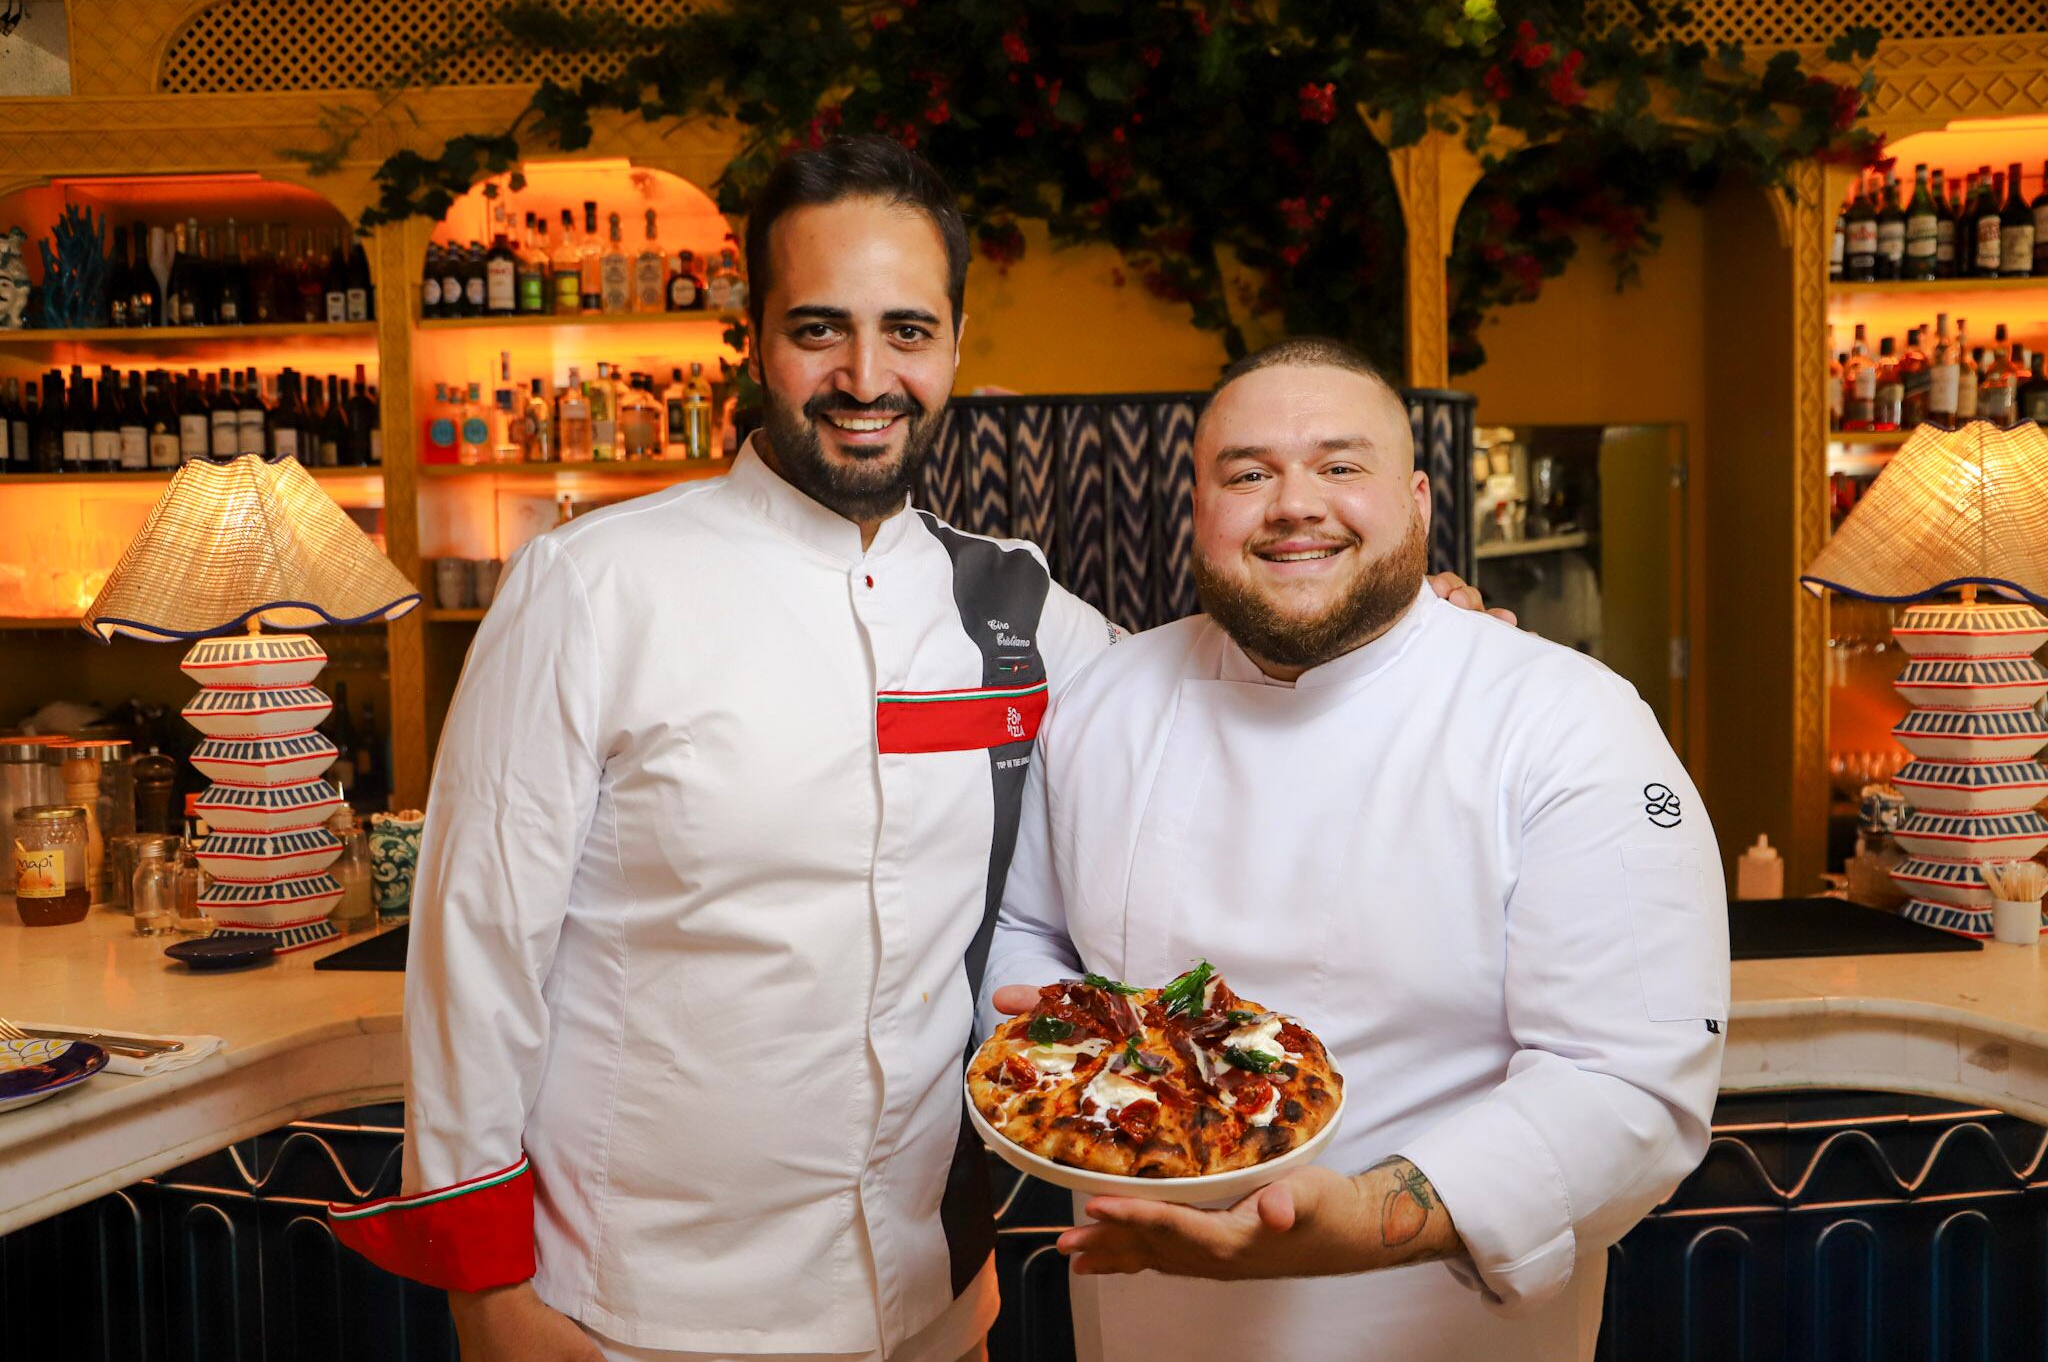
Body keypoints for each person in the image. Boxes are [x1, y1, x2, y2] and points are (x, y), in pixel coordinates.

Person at [327, 137, 1492, 1360]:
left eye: (906, 331)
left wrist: (1417, 630)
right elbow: (476, 949)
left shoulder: (1017, 607)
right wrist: (489, 1297)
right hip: (635, 1308)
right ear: (754, 335)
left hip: (932, 1298)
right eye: (818, 328)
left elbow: (1220, 682)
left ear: (954, 342)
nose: (864, 375)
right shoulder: (592, 587)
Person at [982, 337, 1728, 1361]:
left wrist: (1361, 1221)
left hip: (1437, 1320)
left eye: (1339, 466)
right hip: (1148, 1316)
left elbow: (1626, 1082)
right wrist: (1058, 1044)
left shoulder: (1567, 719)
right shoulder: (1105, 700)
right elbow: (1027, 928)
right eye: (1246, 474)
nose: (1293, 503)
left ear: (1419, 501)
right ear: (1196, 508)